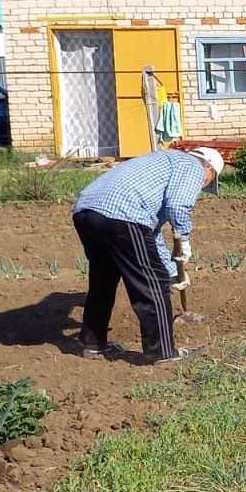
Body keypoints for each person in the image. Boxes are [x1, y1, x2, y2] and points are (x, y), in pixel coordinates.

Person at [71, 146, 224, 364]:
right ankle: (162, 352)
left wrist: (172, 271)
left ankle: (93, 344)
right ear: (209, 169)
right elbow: (178, 204)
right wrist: (184, 237)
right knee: (153, 283)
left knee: (103, 280)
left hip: (86, 212)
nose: (204, 186)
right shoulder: (192, 166)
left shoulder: (161, 162)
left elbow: (149, 233)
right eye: (210, 181)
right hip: (123, 214)